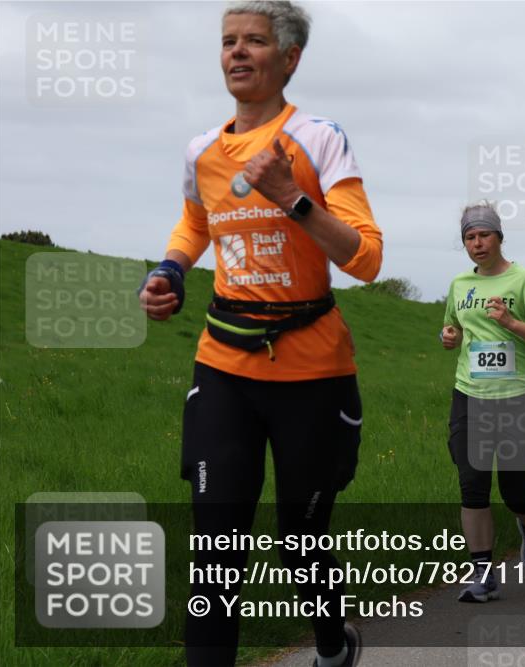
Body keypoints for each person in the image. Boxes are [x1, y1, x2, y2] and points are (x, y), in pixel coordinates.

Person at [138, 3, 381, 665]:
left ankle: (332, 643)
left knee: (300, 543)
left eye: (253, 41)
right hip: (224, 365)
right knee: (216, 551)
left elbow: (365, 258)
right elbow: (197, 222)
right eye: (228, 42)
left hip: (312, 371)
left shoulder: (319, 138)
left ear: (290, 58)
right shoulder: (202, 151)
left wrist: (291, 197)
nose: (237, 52)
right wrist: (170, 269)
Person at [441, 202, 525, 603]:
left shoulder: (524, 281)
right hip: (469, 397)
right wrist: (449, 337)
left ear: (499, 237)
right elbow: (454, 327)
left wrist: (511, 323)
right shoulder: (460, 284)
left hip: (517, 400)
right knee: (472, 487)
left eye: (484, 235)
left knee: (516, 493)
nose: (477, 243)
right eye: (469, 237)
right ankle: (483, 574)